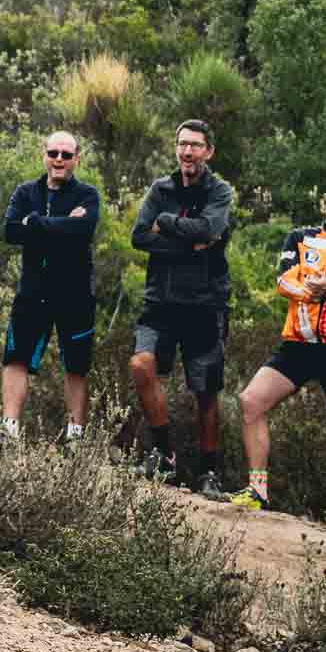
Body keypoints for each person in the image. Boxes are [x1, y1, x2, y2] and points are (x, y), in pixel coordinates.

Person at [235, 179, 326, 521]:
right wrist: (306, 292)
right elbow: (283, 280)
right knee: (251, 400)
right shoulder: (299, 237)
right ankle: (257, 492)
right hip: (298, 344)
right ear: (324, 202)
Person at [128, 118, 234, 492]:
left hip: (205, 304)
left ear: (209, 151)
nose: (187, 152)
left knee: (205, 391)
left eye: (195, 145)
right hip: (160, 302)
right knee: (141, 365)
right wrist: (190, 245)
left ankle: (209, 472)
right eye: (182, 144)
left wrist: (166, 222)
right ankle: (164, 456)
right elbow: (139, 237)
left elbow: (210, 229)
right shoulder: (161, 188)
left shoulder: (219, 192)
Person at [0, 130, 99, 447]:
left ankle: (75, 439)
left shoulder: (87, 195)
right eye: (53, 153)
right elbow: (10, 231)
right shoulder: (25, 192)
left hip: (75, 294)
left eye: (66, 155)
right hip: (32, 292)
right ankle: (8, 431)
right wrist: (61, 223)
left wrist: (36, 223)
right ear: (44, 155)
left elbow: (82, 229)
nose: (59, 159)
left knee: (76, 365)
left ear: (77, 159)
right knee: (16, 358)